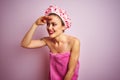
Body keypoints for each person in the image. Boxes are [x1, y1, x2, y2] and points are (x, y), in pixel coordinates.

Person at [21, 5, 80, 80]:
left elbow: (71, 71)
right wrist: (35, 24)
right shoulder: (47, 41)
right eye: (48, 24)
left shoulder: (74, 42)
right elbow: (25, 44)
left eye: (54, 24)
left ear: (63, 26)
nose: (49, 28)